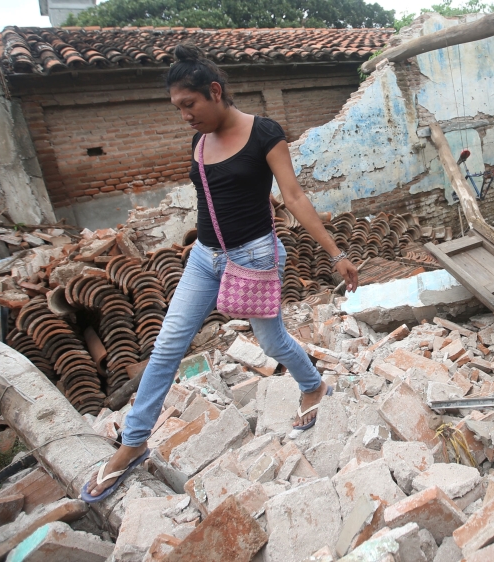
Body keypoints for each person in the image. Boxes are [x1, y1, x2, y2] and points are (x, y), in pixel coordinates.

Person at [82, 43, 358, 502]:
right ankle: (132, 444)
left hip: (254, 256)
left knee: (271, 342)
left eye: (189, 105)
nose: (185, 117)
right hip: (204, 258)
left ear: (214, 91)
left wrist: (335, 253)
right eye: (178, 109)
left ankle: (312, 385)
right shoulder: (198, 141)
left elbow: (293, 196)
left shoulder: (265, 133)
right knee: (169, 341)